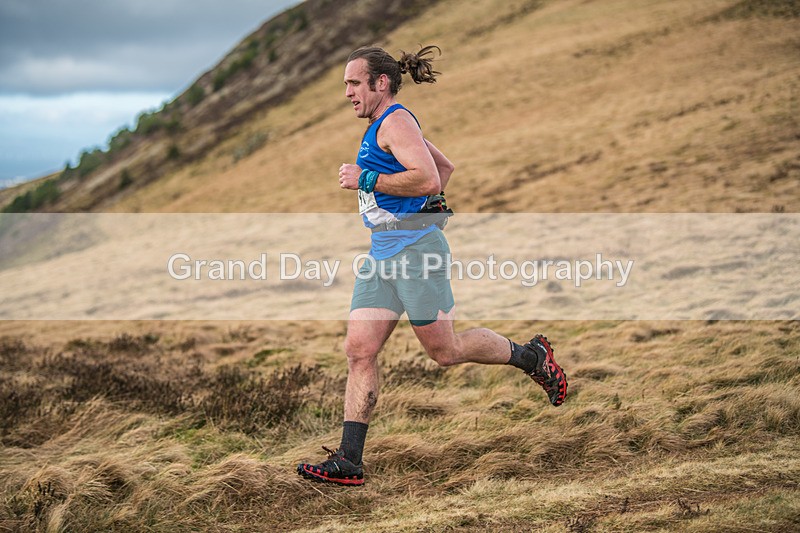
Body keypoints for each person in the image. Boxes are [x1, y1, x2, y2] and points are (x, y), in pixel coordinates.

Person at [297, 45, 567, 486]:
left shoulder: (396, 121)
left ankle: (533, 357)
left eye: (353, 83)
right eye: (345, 84)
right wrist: (425, 202)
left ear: (380, 82)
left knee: (446, 352)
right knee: (359, 350)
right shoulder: (384, 126)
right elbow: (443, 168)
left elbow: (425, 177)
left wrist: (367, 179)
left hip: (416, 253)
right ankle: (349, 461)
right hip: (381, 254)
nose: (347, 92)